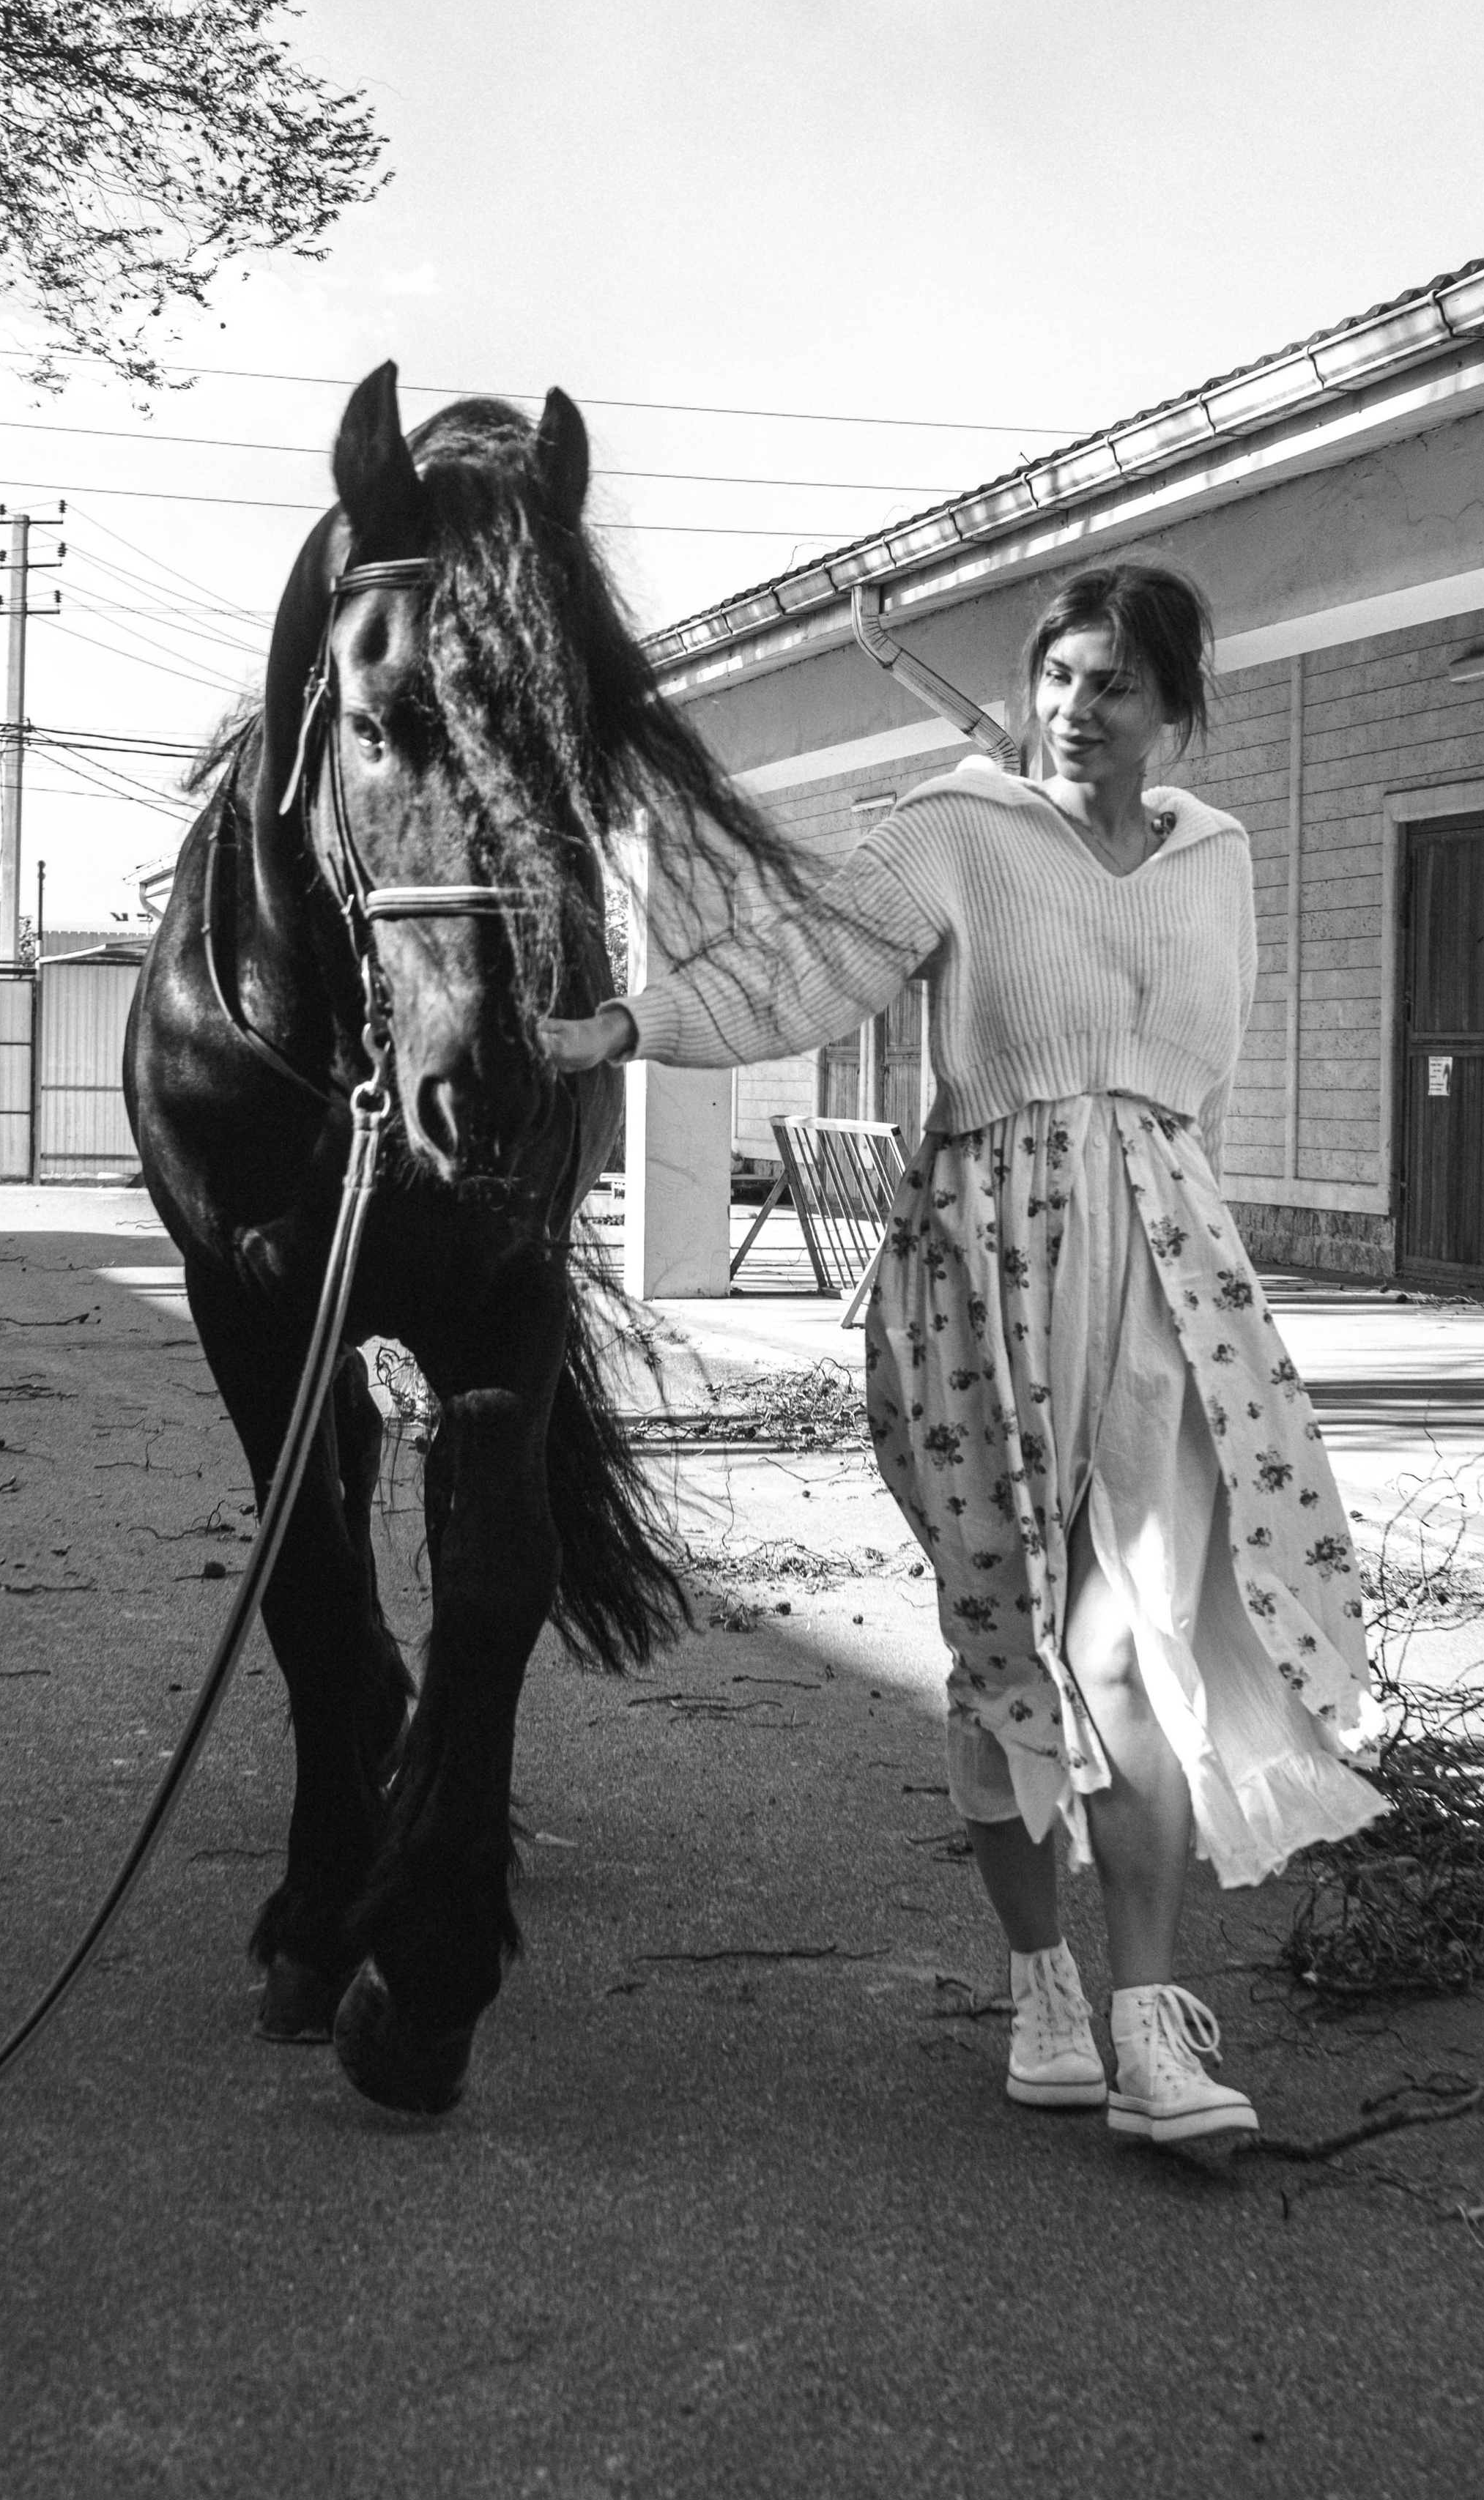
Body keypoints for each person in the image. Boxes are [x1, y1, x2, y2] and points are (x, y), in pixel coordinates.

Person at [542, 563, 1385, 2149]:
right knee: (1009, 1643)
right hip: (980, 1262)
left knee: (1135, 1640)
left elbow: (1198, 1078)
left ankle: (1145, 2022)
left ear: (1174, 711)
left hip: (1163, 1273)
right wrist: (622, 1027)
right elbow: (804, 962)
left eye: (1113, 684)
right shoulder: (955, 829)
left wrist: (1186, 1246)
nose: (1076, 708)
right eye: (1057, 676)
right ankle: (1039, 1984)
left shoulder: (1219, 858)